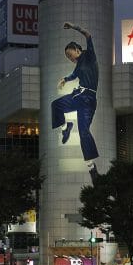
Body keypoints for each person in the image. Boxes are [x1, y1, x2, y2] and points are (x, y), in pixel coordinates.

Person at [51, 22, 101, 183]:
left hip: (88, 99)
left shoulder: (89, 55)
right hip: (78, 95)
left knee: (84, 132)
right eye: (67, 56)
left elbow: (88, 35)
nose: (69, 57)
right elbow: (74, 75)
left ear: (77, 49)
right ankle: (66, 127)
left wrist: (73, 26)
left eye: (69, 54)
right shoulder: (78, 65)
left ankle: (92, 169)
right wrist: (65, 79)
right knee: (56, 105)